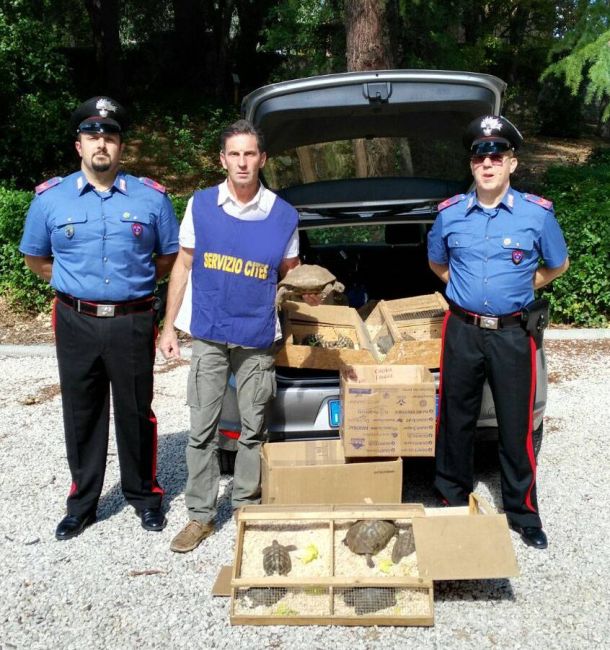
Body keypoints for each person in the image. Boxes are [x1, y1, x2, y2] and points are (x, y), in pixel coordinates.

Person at [20, 96, 180, 540]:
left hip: (132, 320)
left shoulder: (152, 198)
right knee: (82, 412)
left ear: (121, 146)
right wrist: (74, 284)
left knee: (135, 411)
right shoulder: (51, 200)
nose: (101, 144)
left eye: (109, 136)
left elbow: (167, 257)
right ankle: (83, 503)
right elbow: (36, 258)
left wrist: (132, 285)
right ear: (79, 146)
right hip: (76, 320)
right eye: (92, 136)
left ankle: (145, 495)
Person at [159, 119, 310, 554]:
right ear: (223, 159)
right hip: (209, 334)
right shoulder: (201, 205)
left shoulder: (284, 215)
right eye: (235, 154)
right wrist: (168, 326)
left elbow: (292, 273)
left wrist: (313, 299)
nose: (242, 162)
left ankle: (245, 507)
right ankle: (200, 516)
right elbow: (184, 264)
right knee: (201, 430)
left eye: (250, 154)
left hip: (257, 337)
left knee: (253, 429)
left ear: (262, 159)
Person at [427, 115, 569, 550]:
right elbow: (437, 263)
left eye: (497, 156)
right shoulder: (450, 214)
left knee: (515, 425)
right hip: (462, 329)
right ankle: (451, 499)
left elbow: (558, 264)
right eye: (479, 157)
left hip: (512, 334)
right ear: (472, 164)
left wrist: (524, 288)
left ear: (512, 163)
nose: (487, 164)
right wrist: (463, 290)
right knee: (455, 420)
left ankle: (523, 514)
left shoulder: (536, 215)